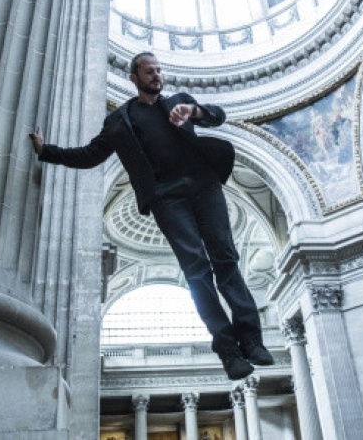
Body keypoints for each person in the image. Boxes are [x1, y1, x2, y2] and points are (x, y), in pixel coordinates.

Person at [29, 51, 274, 380]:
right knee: (197, 270)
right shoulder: (119, 122)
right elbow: (90, 155)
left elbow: (217, 116)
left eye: (159, 70)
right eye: (149, 71)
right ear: (134, 77)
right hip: (166, 197)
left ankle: (252, 340)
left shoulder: (179, 102)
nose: (156, 75)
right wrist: (48, 152)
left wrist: (194, 110)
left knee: (226, 258)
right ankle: (228, 350)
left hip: (204, 185)